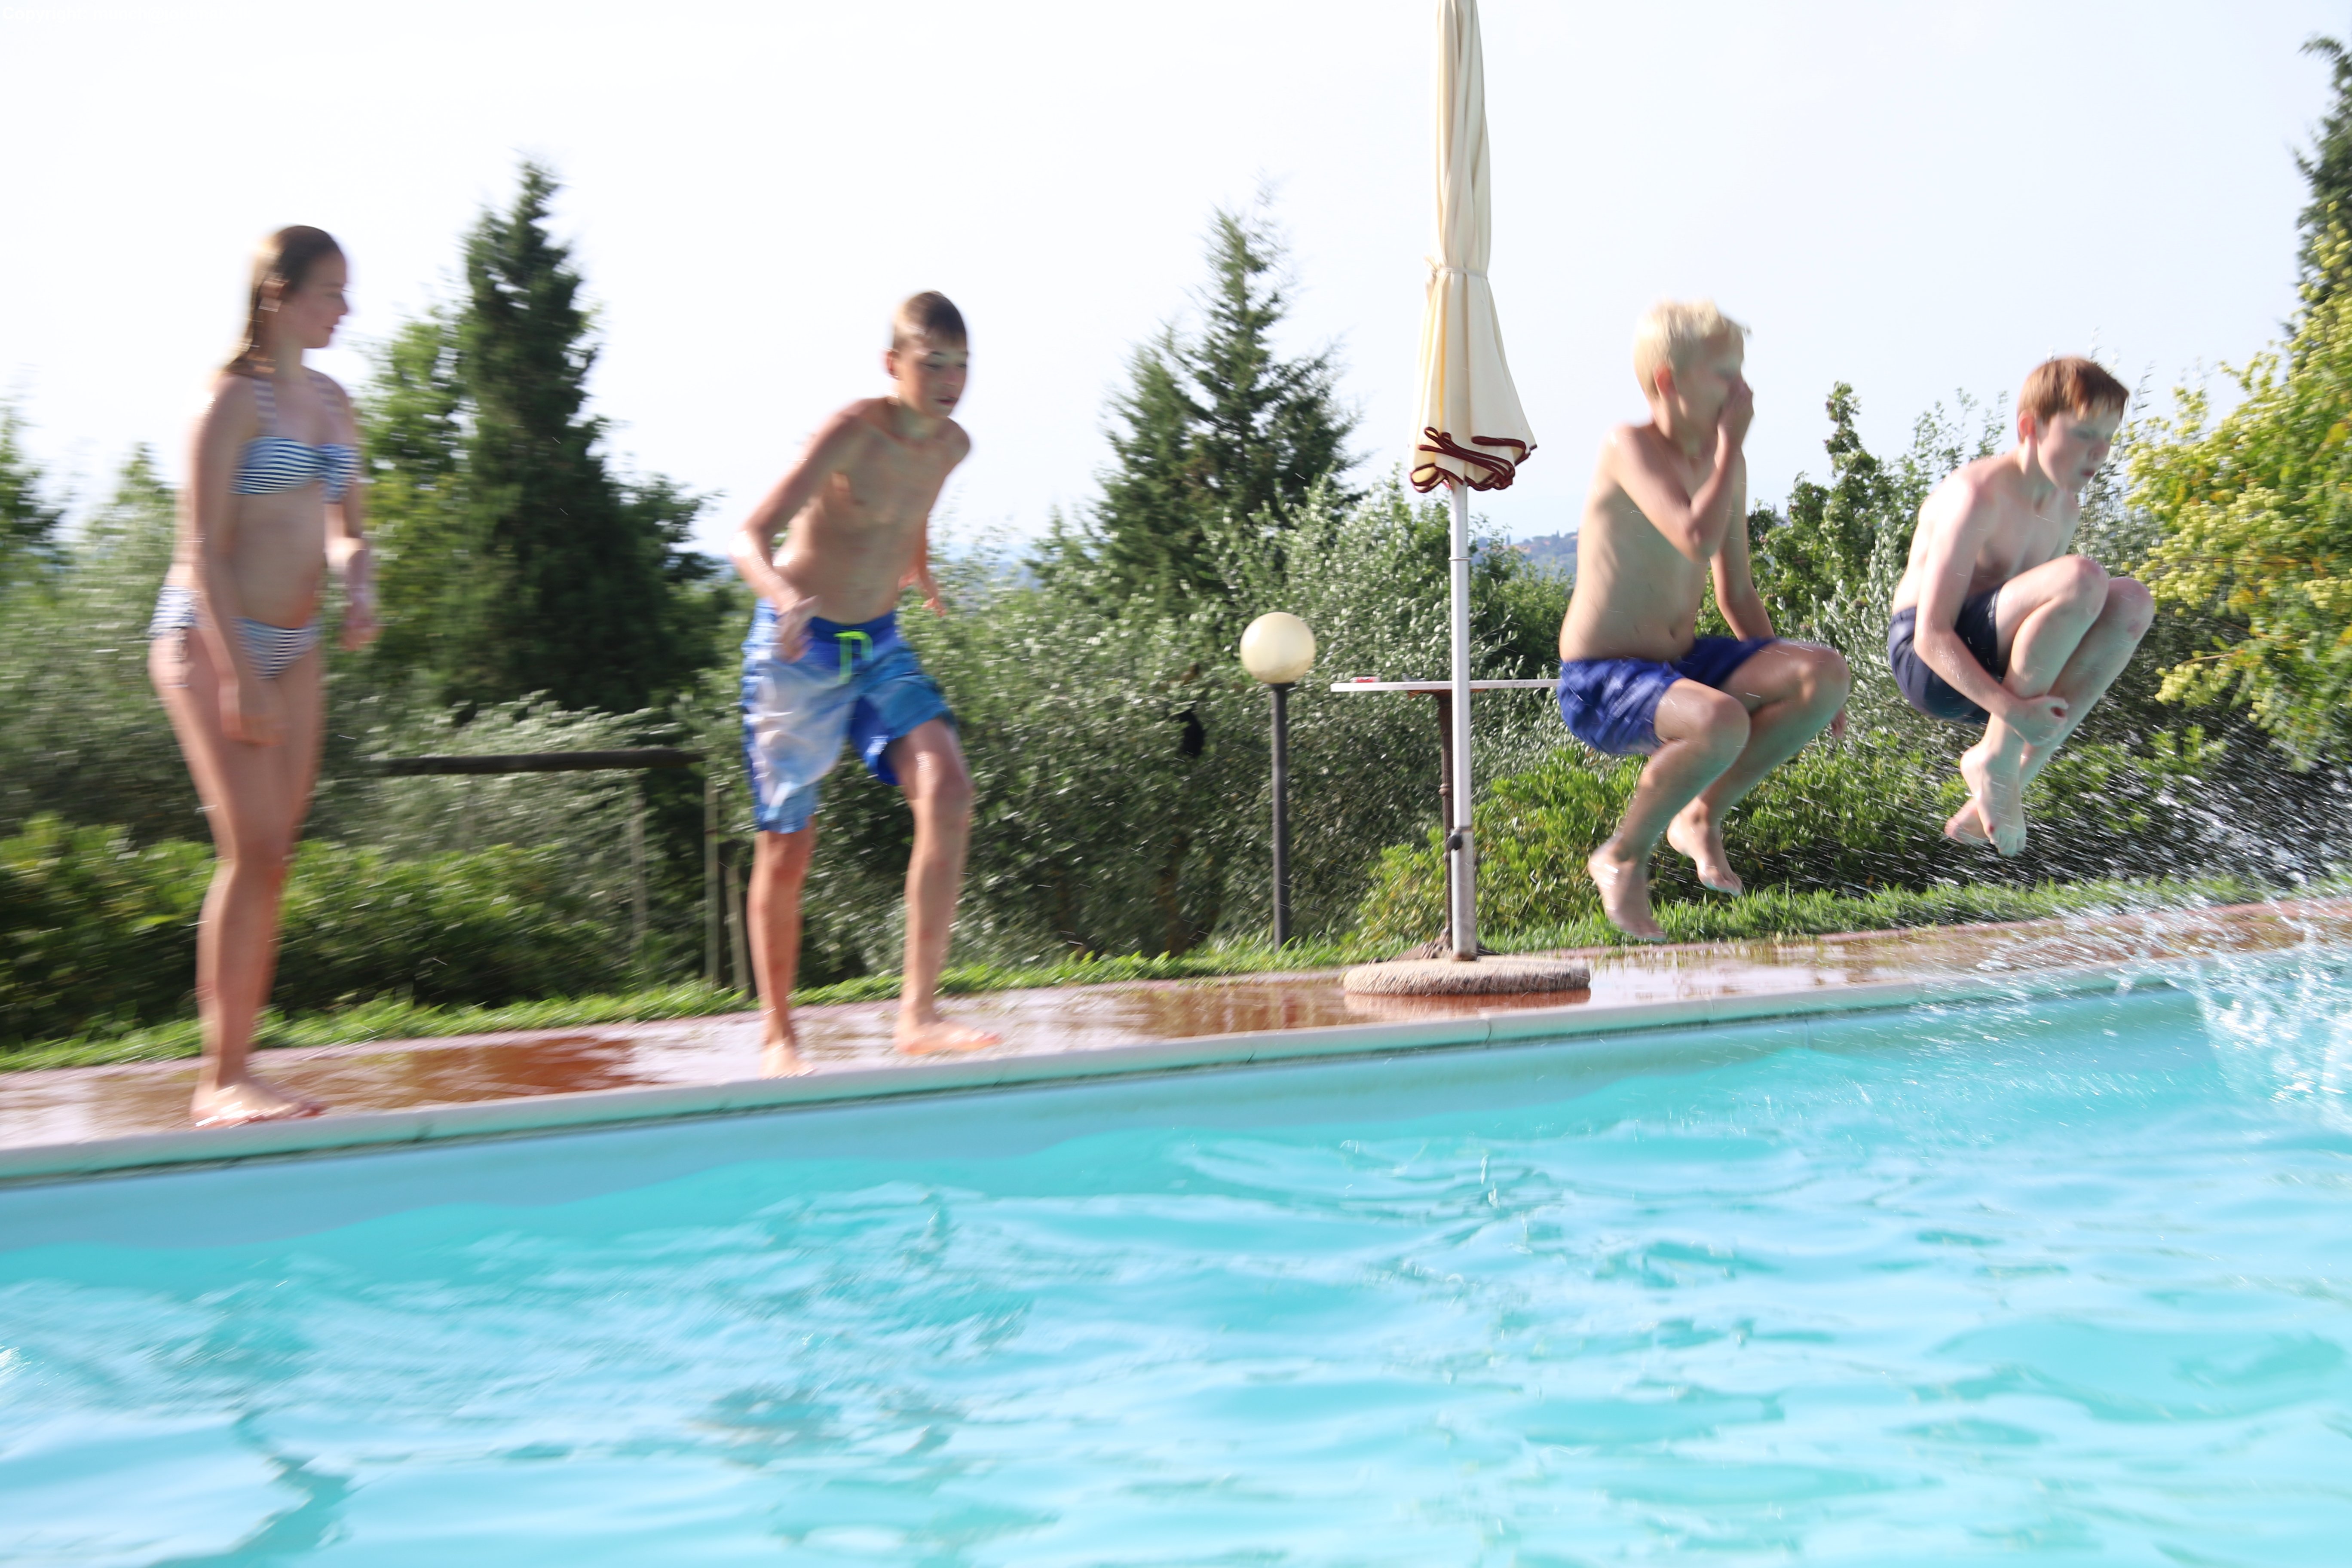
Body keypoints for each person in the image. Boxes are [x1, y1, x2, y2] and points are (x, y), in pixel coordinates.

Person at [729, 292, 1000, 1071]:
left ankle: (918, 1015)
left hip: (878, 645)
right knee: (789, 846)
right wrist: (782, 598)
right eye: (933, 364)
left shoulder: (952, 446)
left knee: (948, 790)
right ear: (893, 364)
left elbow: (909, 508)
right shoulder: (851, 431)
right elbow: (747, 535)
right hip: (798, 651)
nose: (950, 381)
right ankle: (779, 1033)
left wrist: (920, 564)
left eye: (961, 365)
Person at [151, 227, 377, 1127]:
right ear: (278, 295)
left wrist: (359, 582)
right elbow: (200, 547)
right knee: (249, 847)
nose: (345, 310)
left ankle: (244, 1070)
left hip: (297, 644)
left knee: (275, 858)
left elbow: (348, 528)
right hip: (212, 637)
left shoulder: (333, 400)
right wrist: (239, 674)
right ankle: (219, 1081)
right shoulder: (231, 401)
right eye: (330, 292)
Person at [1556, 300, 1850, 940]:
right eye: (1725, 374)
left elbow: (1736, 590)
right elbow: (1693, 536)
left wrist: (1803, 687)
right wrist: (1732, 446)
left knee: (1825, 671)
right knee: (1719, 721)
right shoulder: (1629, 445)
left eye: (1741, 372)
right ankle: (1621, 856)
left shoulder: (1725, 466)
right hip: (1600, 679)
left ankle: (1700, 815)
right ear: (1669, 381)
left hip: (1680, 666)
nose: (1743, 391)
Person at [1887, 356, 2153, 854]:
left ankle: (2008, 776)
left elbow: (2047, 629)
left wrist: (2020, 709)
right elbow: (1930, 635)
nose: (2099, 452)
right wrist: (2011, 710)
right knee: (2082, 577)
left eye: (2108, 438)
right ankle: (1998, 758)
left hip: (1997, 675)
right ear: (2030, 428)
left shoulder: (2065, 508)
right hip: (1931, 664)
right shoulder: (1977, 495)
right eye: (2084, 434)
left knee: (2132, 602)